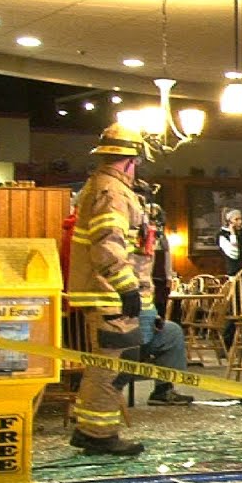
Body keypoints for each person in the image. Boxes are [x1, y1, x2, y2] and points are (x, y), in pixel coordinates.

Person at [65, 121, 154, 455]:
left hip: (108, 292)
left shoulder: (104, 186)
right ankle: (97, 435)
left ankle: (91, 429)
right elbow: (108, 242)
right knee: (111, 366)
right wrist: (127, 287)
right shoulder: (112, 192)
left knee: (114, 363)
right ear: (132, 160)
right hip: (110, 294)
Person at [217, 208, 242, 275]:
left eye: (240, 219)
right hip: (234, 269)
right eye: (236, 219)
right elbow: (234, 254)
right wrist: (232, 233)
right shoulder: (222, 235)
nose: (240, 222)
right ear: (229, 221)